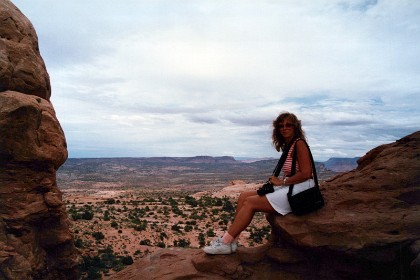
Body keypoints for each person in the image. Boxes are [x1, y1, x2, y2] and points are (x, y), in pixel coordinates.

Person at [203, 112, 314, 255]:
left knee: (250, 203)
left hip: (301, 189)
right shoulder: (290, 145)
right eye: (281, 126)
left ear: (295, 127)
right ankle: (232, 241)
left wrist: (283, 181)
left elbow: (306, 173)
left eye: (288, 125)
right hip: (292, 186)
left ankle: (225, 242)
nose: (284, 128)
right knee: (244, 196)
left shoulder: (299, 144)